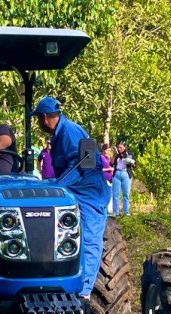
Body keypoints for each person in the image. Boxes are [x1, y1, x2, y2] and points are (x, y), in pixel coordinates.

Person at [31, 96, 111, 298]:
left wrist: (57, 187)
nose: (39, 123)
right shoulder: (58, 135)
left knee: (90, 239)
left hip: (89, 191)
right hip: (75, 190)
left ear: (46, 117)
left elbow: (84, 163)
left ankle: (83, 293)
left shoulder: (70, 131)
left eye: (39, 118)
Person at [111, 140, 136, 216]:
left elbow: (134, 165)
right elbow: (111, 163)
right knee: (115, 194)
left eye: (121, 147)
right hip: (117, 174)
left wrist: (131, 161)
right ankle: (115, 212)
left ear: (125, 147)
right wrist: (115, 155)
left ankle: (126, 212)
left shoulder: (129, 154)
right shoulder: (117, 155)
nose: (119, 149)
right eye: (118, 147)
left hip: (126, 174)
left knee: (126, 194)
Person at [101, 144, 115, 214]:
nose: (109, 151)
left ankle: (110, 210)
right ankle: (104, 209)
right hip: (104, 178)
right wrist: (108, 169)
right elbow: (100, 169)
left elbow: (111, 164)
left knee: (110, 193)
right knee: (105, 193)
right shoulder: (101, 157)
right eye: (107, 150)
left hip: (110, 178)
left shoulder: (108, 157)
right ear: (104, 150)